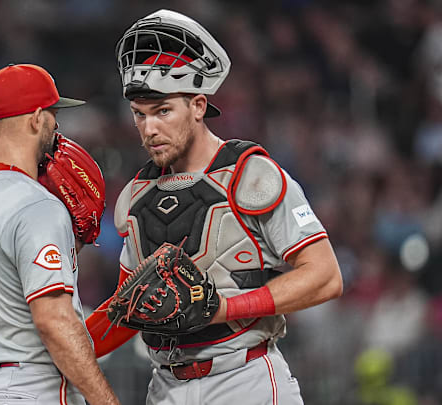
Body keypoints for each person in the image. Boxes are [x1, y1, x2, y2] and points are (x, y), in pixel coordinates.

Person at [85, 9, 344, 404]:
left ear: (199, 106)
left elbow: (325, 276)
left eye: (163, 111)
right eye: (139, 114)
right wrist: (62, 348)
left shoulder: (252, 175)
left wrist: (223, 307)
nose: (149, 128)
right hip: (165, 386)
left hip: (245, 378)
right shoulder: (135, 197)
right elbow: (129, 306)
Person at [0, 64, 119, 405]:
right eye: (54, 115)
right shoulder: (36, 204)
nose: (57, 126)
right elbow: (53, 321)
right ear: (36, 118)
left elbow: (10, 280)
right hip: (31, 388)